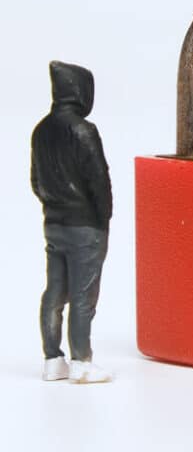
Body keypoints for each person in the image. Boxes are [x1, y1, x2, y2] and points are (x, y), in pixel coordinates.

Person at [31, 61, 113, 383]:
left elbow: (36, 181)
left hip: (54, 224)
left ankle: (53, 360)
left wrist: (53, 205)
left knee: (55, 292)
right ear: (79, 91)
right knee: (83, 296)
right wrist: (103, 219)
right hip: (85, 226)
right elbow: (99, 181)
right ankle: (81, 362)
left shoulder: (41, 130)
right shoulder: (83, 130)